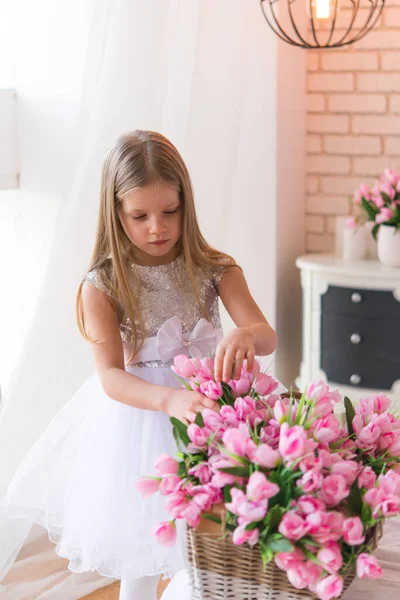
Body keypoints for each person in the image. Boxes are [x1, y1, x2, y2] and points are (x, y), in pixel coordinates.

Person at [0, 130, 277, 599]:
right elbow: (109, 375)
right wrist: (168, 398)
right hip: (142, 422)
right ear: (115, 212)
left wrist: (243, 333)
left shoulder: (216, 268)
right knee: (144, 547)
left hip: (214, 414)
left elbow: (266, 335)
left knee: (223, 536)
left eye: (170, 211)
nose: (157, 227)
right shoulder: (104, 284)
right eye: (139, 215)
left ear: (186, 204)